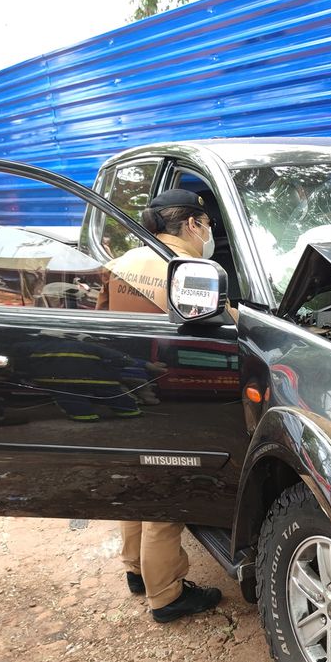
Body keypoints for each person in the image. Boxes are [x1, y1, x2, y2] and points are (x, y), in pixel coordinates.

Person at [106, 189, 223, 622]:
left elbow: (101, 325)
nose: (208, 232)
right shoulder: (189, 269)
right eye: (207, 224)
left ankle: (135, 570)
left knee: (137, 486)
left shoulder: (121, 264)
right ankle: (168, 595)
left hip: (126, 392)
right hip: (170, 396)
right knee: (167, 498)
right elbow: (220, 329)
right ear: (192, 223)